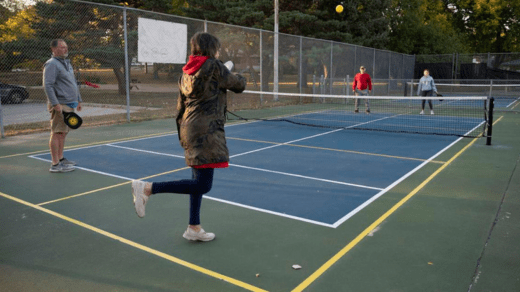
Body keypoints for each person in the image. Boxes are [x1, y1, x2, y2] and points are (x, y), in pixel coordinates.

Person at [131, 32, 246, 242]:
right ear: (212, 49)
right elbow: (239, 84)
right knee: (204, 185)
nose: (218, 52)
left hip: (189, 126)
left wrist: (182, 130)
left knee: (197, 179)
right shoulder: (214, 65)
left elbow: (180, 105)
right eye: (217, 48)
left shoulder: (186, 71)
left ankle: (194, 227)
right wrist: (234, 73)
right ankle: (148, 188)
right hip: (207, 130)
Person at [43, 39, 82, 173]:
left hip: (70, 104)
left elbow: (73, 82)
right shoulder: (52, 64)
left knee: (63, 133)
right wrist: (55, 104)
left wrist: (79, 99)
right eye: (62, 47)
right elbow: (48, 85)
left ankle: (61, 159)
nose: (65, 49)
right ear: (54, 50)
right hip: (60, 104)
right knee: (57, 133)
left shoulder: (66, 63)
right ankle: (55, 164)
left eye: (66, 46)